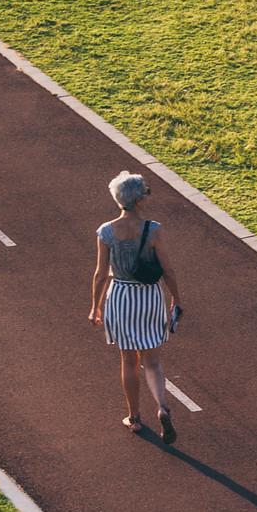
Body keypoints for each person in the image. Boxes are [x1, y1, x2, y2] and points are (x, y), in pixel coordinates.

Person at [89, 170, 184, 442]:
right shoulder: (153, 230)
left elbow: (100, 274)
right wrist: (176, 298)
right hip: (150, 297)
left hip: (121, 297)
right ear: (139, 200)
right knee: (152, 361)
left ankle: (134, 417)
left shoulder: (105, 231)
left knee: (129, 361)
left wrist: (95, 306)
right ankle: (162, 406)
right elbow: (169, 270)